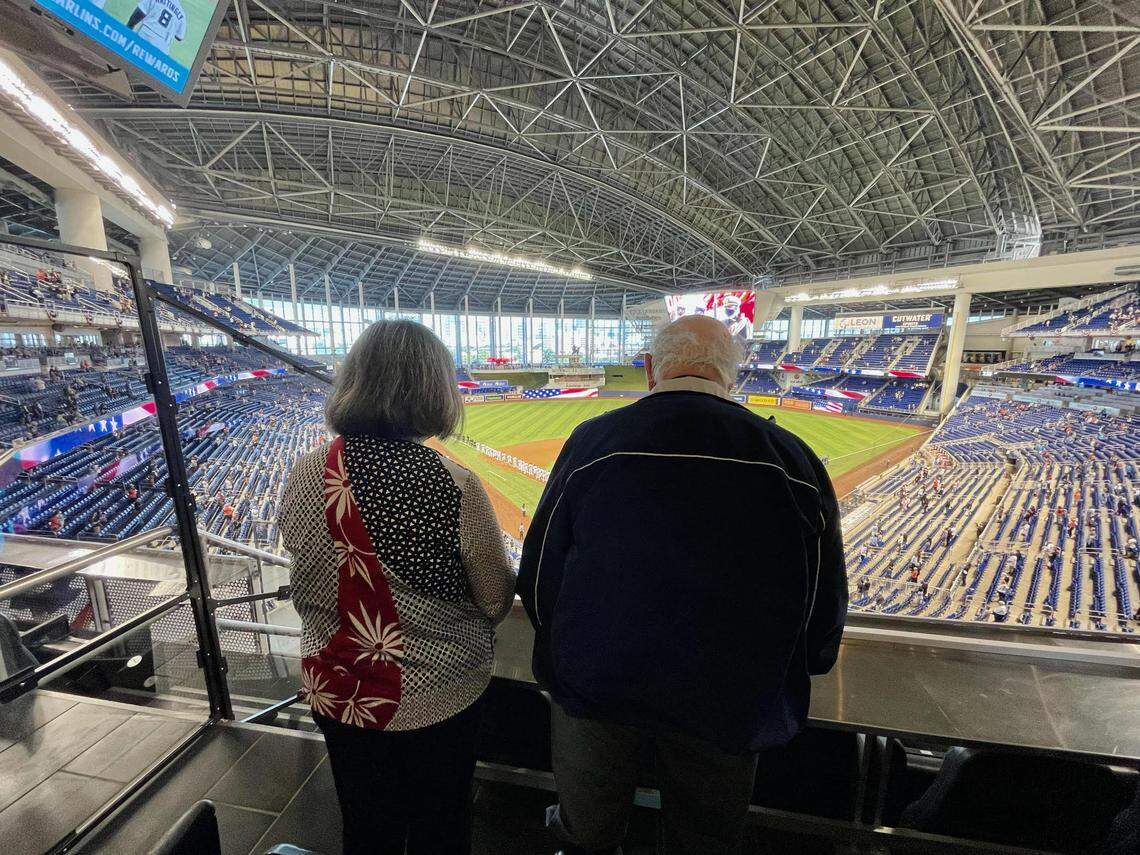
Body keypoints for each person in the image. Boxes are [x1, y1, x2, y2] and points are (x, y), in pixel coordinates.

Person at [518, 315, 847, 855]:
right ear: (732, 375)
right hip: (729, 694)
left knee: (587, 836)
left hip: (597, 683)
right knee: (705, 841)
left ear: (651, 368)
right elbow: (822, 596)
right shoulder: (789, 456)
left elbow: (538, 574)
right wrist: (804, 663)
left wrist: (564, 653)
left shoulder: (592, 441)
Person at [278, 321, 516, 855]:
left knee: (366, 826)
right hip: (438, 692)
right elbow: (495, 599)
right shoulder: (454, 482)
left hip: (338, 687)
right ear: (434, 390)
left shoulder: (305, 469)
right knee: (441, 827)